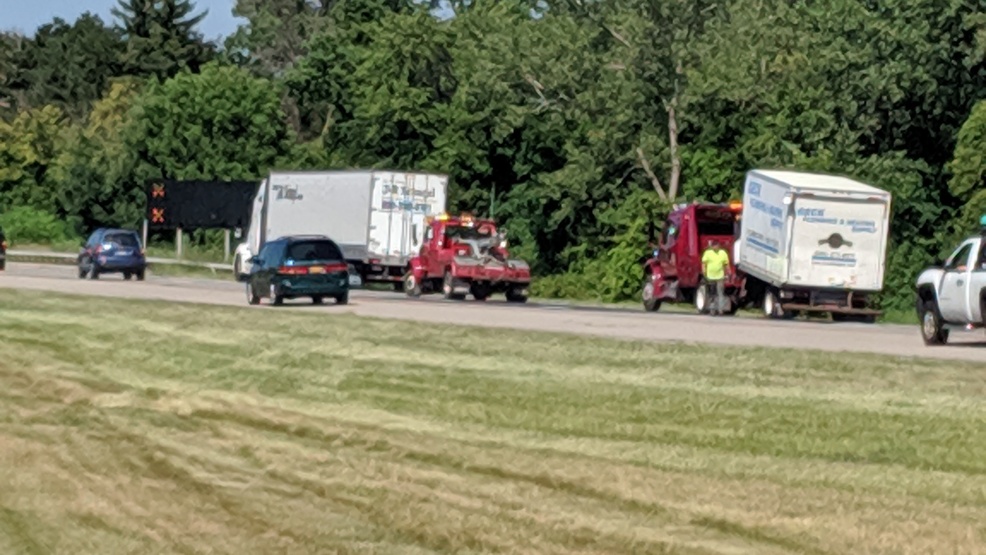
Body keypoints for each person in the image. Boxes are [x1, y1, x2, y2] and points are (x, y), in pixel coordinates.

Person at [701, 239, 731, 315]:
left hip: (720, 276)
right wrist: (704, 272)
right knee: (712, 293)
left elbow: (726, 264)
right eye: (714, 246)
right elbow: (704, 263)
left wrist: (729, 272)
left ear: (719, 246)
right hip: (710, 276)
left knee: (720, 293)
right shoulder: (708, 253)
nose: (715, 247)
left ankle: (720, 309)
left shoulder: (723, 253)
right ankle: (712, 309)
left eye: (717, 246)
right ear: (712, 246)